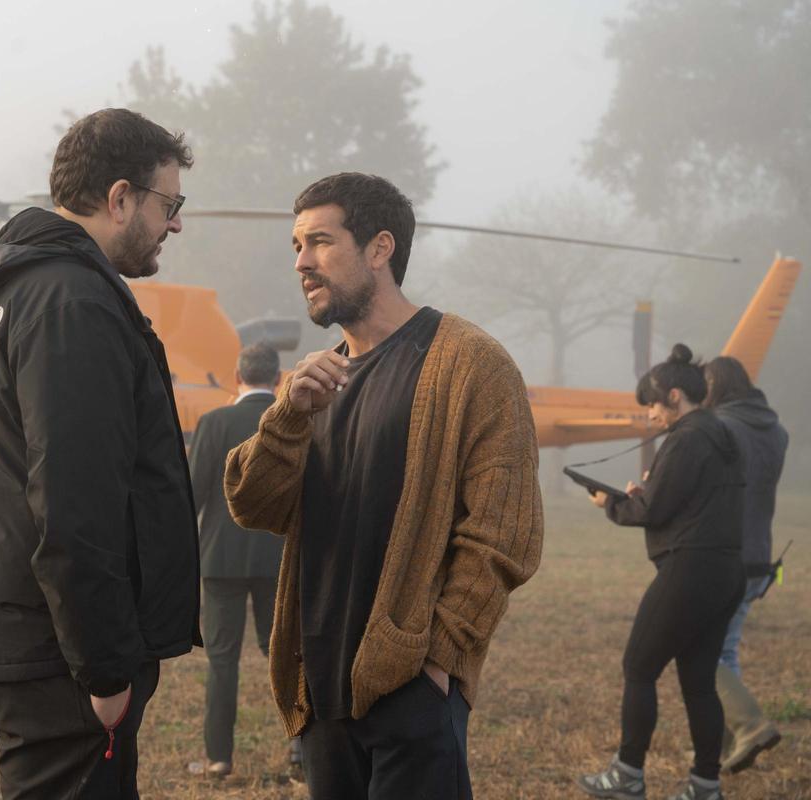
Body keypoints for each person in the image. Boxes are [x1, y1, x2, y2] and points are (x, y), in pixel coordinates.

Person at [224, 172, 544, 800]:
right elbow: (252, 503)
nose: (301, 262)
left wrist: (437, 664)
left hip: (410, 692)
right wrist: (287, 416)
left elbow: (505, 532)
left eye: (319, 241)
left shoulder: (469, 361)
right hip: (319, 693)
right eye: (295, 246)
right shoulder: (314, 382)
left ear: (379, 248)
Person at [0, 108, 200, 800]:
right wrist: (106, 670)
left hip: (32, 638)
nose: (175, 224)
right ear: (120, 199)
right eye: (168, 205)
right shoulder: (72, 304)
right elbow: (74, 503)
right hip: (58, 656)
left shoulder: (30, 291)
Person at [579, 345, 746, 800]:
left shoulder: (687, 438)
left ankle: (627, 775)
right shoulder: (723, 435)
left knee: (638, 665)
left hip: (690, 568)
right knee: (697, 681)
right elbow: (689, 503)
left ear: (674, 396)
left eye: (652, 404)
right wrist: (647, 492)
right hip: (727, 571)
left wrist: (612, 502)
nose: (651, 415)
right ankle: (705, 786)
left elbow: (652, 510)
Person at [186, 343, 286, 778]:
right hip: (278, 559)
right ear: (279, 379)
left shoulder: (214, 423)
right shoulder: (293, 424)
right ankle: (303, 752)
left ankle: (218, 758)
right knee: (284, 655)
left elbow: (192, 495)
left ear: (237, 375)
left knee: (222, 659)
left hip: (220, 559)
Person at [704, 355, 787, 773]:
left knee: (700, 651)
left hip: (724, 555)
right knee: (725, 650)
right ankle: (721, 749)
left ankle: (750, 725)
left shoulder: (721, 429)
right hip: (760, 557)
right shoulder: (777, 430)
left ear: (715, 385)